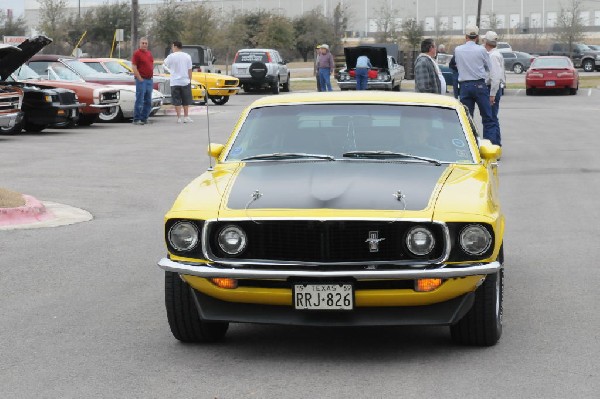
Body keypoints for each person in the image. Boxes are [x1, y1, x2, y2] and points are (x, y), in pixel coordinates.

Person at [454, 25, 496, 143]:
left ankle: (471, 146)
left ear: (466, 36)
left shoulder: (458, 50)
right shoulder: (481, 50)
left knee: (467, 119)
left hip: (464, 86)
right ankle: (490, 147)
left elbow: (457, 65)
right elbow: (489, 67)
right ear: (477, 37)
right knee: (488, 118)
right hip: (479, 85)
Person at [483, 31, 505, 146]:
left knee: (490, 118)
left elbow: (495, 77)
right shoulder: (495, 54)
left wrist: (492, 94)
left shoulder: (493, 56)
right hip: (494, 88)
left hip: (492, 88)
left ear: (486, 41)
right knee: (492, 117)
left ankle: (492, 145)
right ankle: (496, 145)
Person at [164, 40, 194, 123]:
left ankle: (178, 118)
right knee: (186, 100)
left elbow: (164, 65)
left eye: (172, 47)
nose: (172, 48)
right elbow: (190, 69)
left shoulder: (171, 56)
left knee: (177, 100)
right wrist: (190, 79)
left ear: (175, 46)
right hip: (185, 81)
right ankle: (186, 116)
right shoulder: (187, 56)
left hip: (175, 82)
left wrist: (170, 71)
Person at [131, 37, 154, 125]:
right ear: (139, 44)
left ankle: (144, 118)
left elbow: (150, 65)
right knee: (140, 99)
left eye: (146, 43)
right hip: (141, 80)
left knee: (148, 100)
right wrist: (139, 77)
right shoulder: (137, 53)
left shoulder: (149, 53)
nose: (144, 45)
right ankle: (136, 119)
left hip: (149, 80)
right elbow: (134, 66)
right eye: (142, 43)